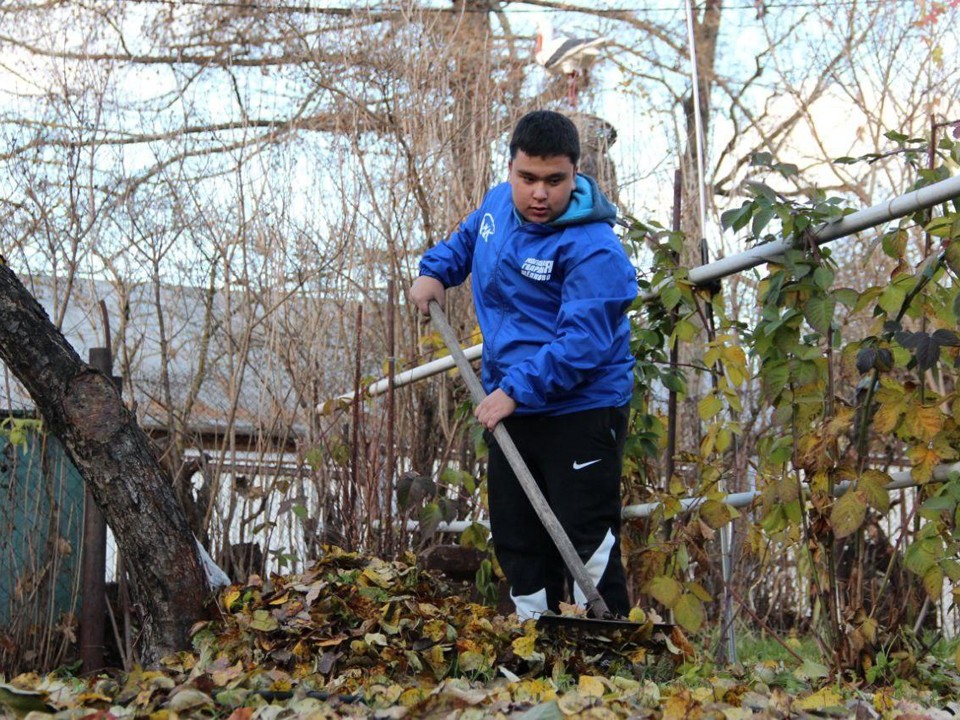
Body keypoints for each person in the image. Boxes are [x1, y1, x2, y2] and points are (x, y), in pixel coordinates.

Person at [409, 110, 637, 620]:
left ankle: (605, 647)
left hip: (580, 407)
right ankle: (532, 636)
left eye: (554, 180)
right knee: (517, 532)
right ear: (510, 168)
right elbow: (469, 239)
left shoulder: (594, 249)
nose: (539, 193)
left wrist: (516, 390)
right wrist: (435, 272)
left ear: (574, 175)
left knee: (584, 535)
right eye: (527, 178)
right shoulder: (496, 206)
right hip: (511, 401)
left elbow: (583, 344)